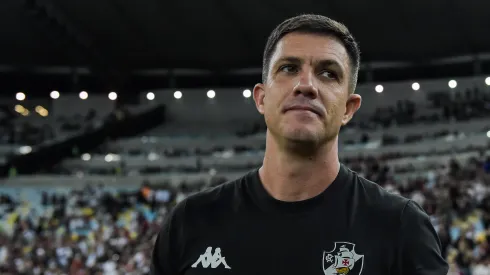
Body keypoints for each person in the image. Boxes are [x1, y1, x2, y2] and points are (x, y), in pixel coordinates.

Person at [150, 14, 449, 275]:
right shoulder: (190, 222)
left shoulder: (400, 227)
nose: (306, 85)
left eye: (328, 73)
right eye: (289, 68)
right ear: (261, 98)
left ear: (349, 108)